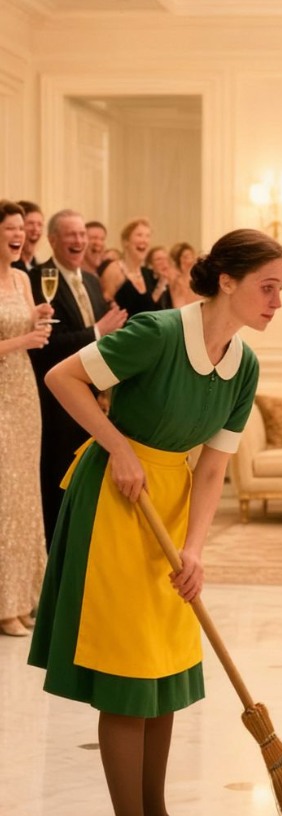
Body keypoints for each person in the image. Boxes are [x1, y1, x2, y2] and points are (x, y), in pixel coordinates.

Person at [28, 228, 282, 816]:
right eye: (268, 287)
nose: (277, 301)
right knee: (128, 674)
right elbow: (62, 377)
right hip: (116, 502)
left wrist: (196, 548)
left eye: (281, 289)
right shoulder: (158, 333)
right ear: (227, 281)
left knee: (165, 670)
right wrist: (117, 445)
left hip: (171, 505)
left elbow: (214, 469)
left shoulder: (244, 365)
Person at [29, 210, 128, 548]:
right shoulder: (39, 279)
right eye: (71, 234)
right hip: (55, 400)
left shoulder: (90, 280)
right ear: (53, 239)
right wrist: (98, 331)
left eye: (82, 234)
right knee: (57, 479)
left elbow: (104, 343)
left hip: (92, 398)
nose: (79, 241)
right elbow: (46, 346)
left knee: (86, 480)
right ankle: (56, 549)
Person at [0, 200, 53, 636]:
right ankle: (4, 605)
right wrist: (24, 341)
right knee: (5, 497)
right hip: (1, 392)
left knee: (25, 496)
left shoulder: (21, 278)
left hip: (23, 391)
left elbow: (22, 325)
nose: (19, 235)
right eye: (10, 229)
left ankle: (24, 599)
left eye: (21, 228)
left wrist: (38, 317)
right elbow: (17, 339)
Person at [100, 218, 168, 317]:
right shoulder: (115, 270)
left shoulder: (145, 273)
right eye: (139, 235)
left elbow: (148, 307)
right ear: (126, 242)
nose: (144, 240)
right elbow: (103, 306)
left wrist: (162, 281)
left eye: (147, 236)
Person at [12, 200, 44, 274]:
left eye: (39, 224)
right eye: (30, 223)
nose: (36, 229)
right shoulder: (8, 266)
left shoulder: (39, 269)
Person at [169, 241, 198, 308]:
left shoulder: (198, 282)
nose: (189, 260)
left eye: (191, 256)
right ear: (178, 260)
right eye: (185, 257)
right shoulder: (174, 281)